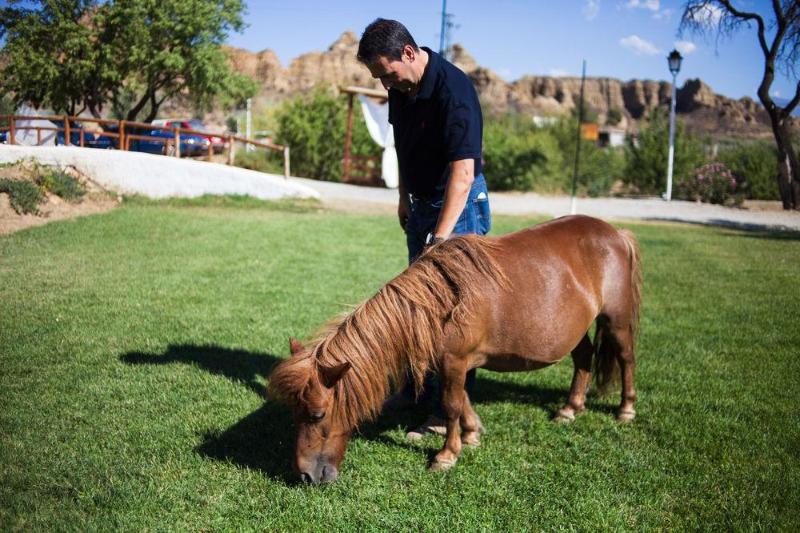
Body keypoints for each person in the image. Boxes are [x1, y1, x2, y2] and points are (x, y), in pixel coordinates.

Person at [356, 18, 491, 440]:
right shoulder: (402, 87)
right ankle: (416, 391)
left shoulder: (454, 89)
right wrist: (402, 196)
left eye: (388, 74)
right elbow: (402, 144)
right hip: (421, 204)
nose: (386, 85)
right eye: (379, 78)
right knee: (420, 308)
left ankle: (445, 411)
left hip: (459, 208)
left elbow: (463, 172)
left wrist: (441, 237)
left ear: (409, 54)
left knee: (455, 314)